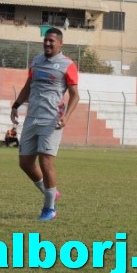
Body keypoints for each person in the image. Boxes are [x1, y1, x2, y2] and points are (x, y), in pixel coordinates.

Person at [11, 27, 80, 221]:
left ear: (60, 44)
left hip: (52, 120)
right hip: (32, 117)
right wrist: (16, 105)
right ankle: (50, 191)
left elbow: (75, 95)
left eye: (52, 41)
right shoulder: (36, 61)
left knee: (46, 161)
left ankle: (49, 209)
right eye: (46, 40)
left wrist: (66, 118)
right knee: (25, 163)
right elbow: (28, 86)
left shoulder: (67, 65)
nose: (48, 43)